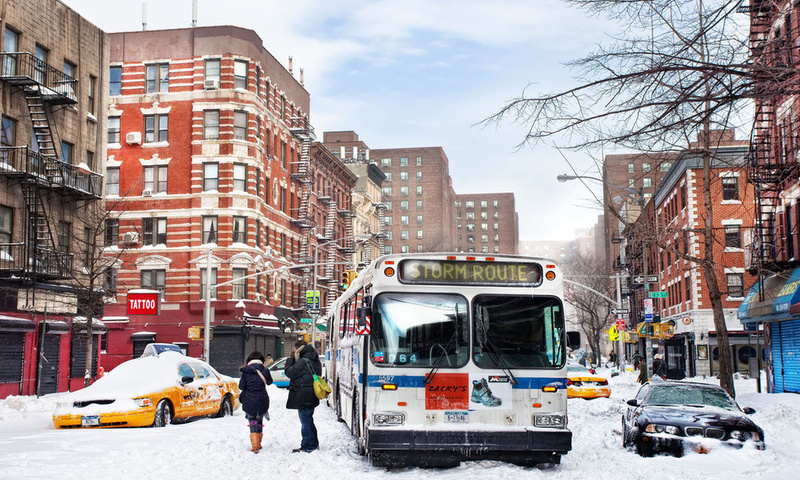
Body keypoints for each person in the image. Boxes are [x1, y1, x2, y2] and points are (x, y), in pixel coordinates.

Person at [284, 339, 321, 453]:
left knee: (305, 421)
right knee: (308, 419)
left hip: (303, 394)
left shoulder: (303, 360)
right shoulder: (313, 358)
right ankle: (313, 443)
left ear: (298, 349)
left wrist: (291, 359)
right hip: (311, 393)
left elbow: (290, 372)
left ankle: (308, 445)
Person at [238, 351, 273, 453]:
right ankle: (259, 443)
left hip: (249, 398)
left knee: (252, 419)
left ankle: (254, 445)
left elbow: (241, 386)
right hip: (262, 398)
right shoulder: (264, 370)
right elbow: (270, 382)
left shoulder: (246, 371)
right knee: (260, 419)